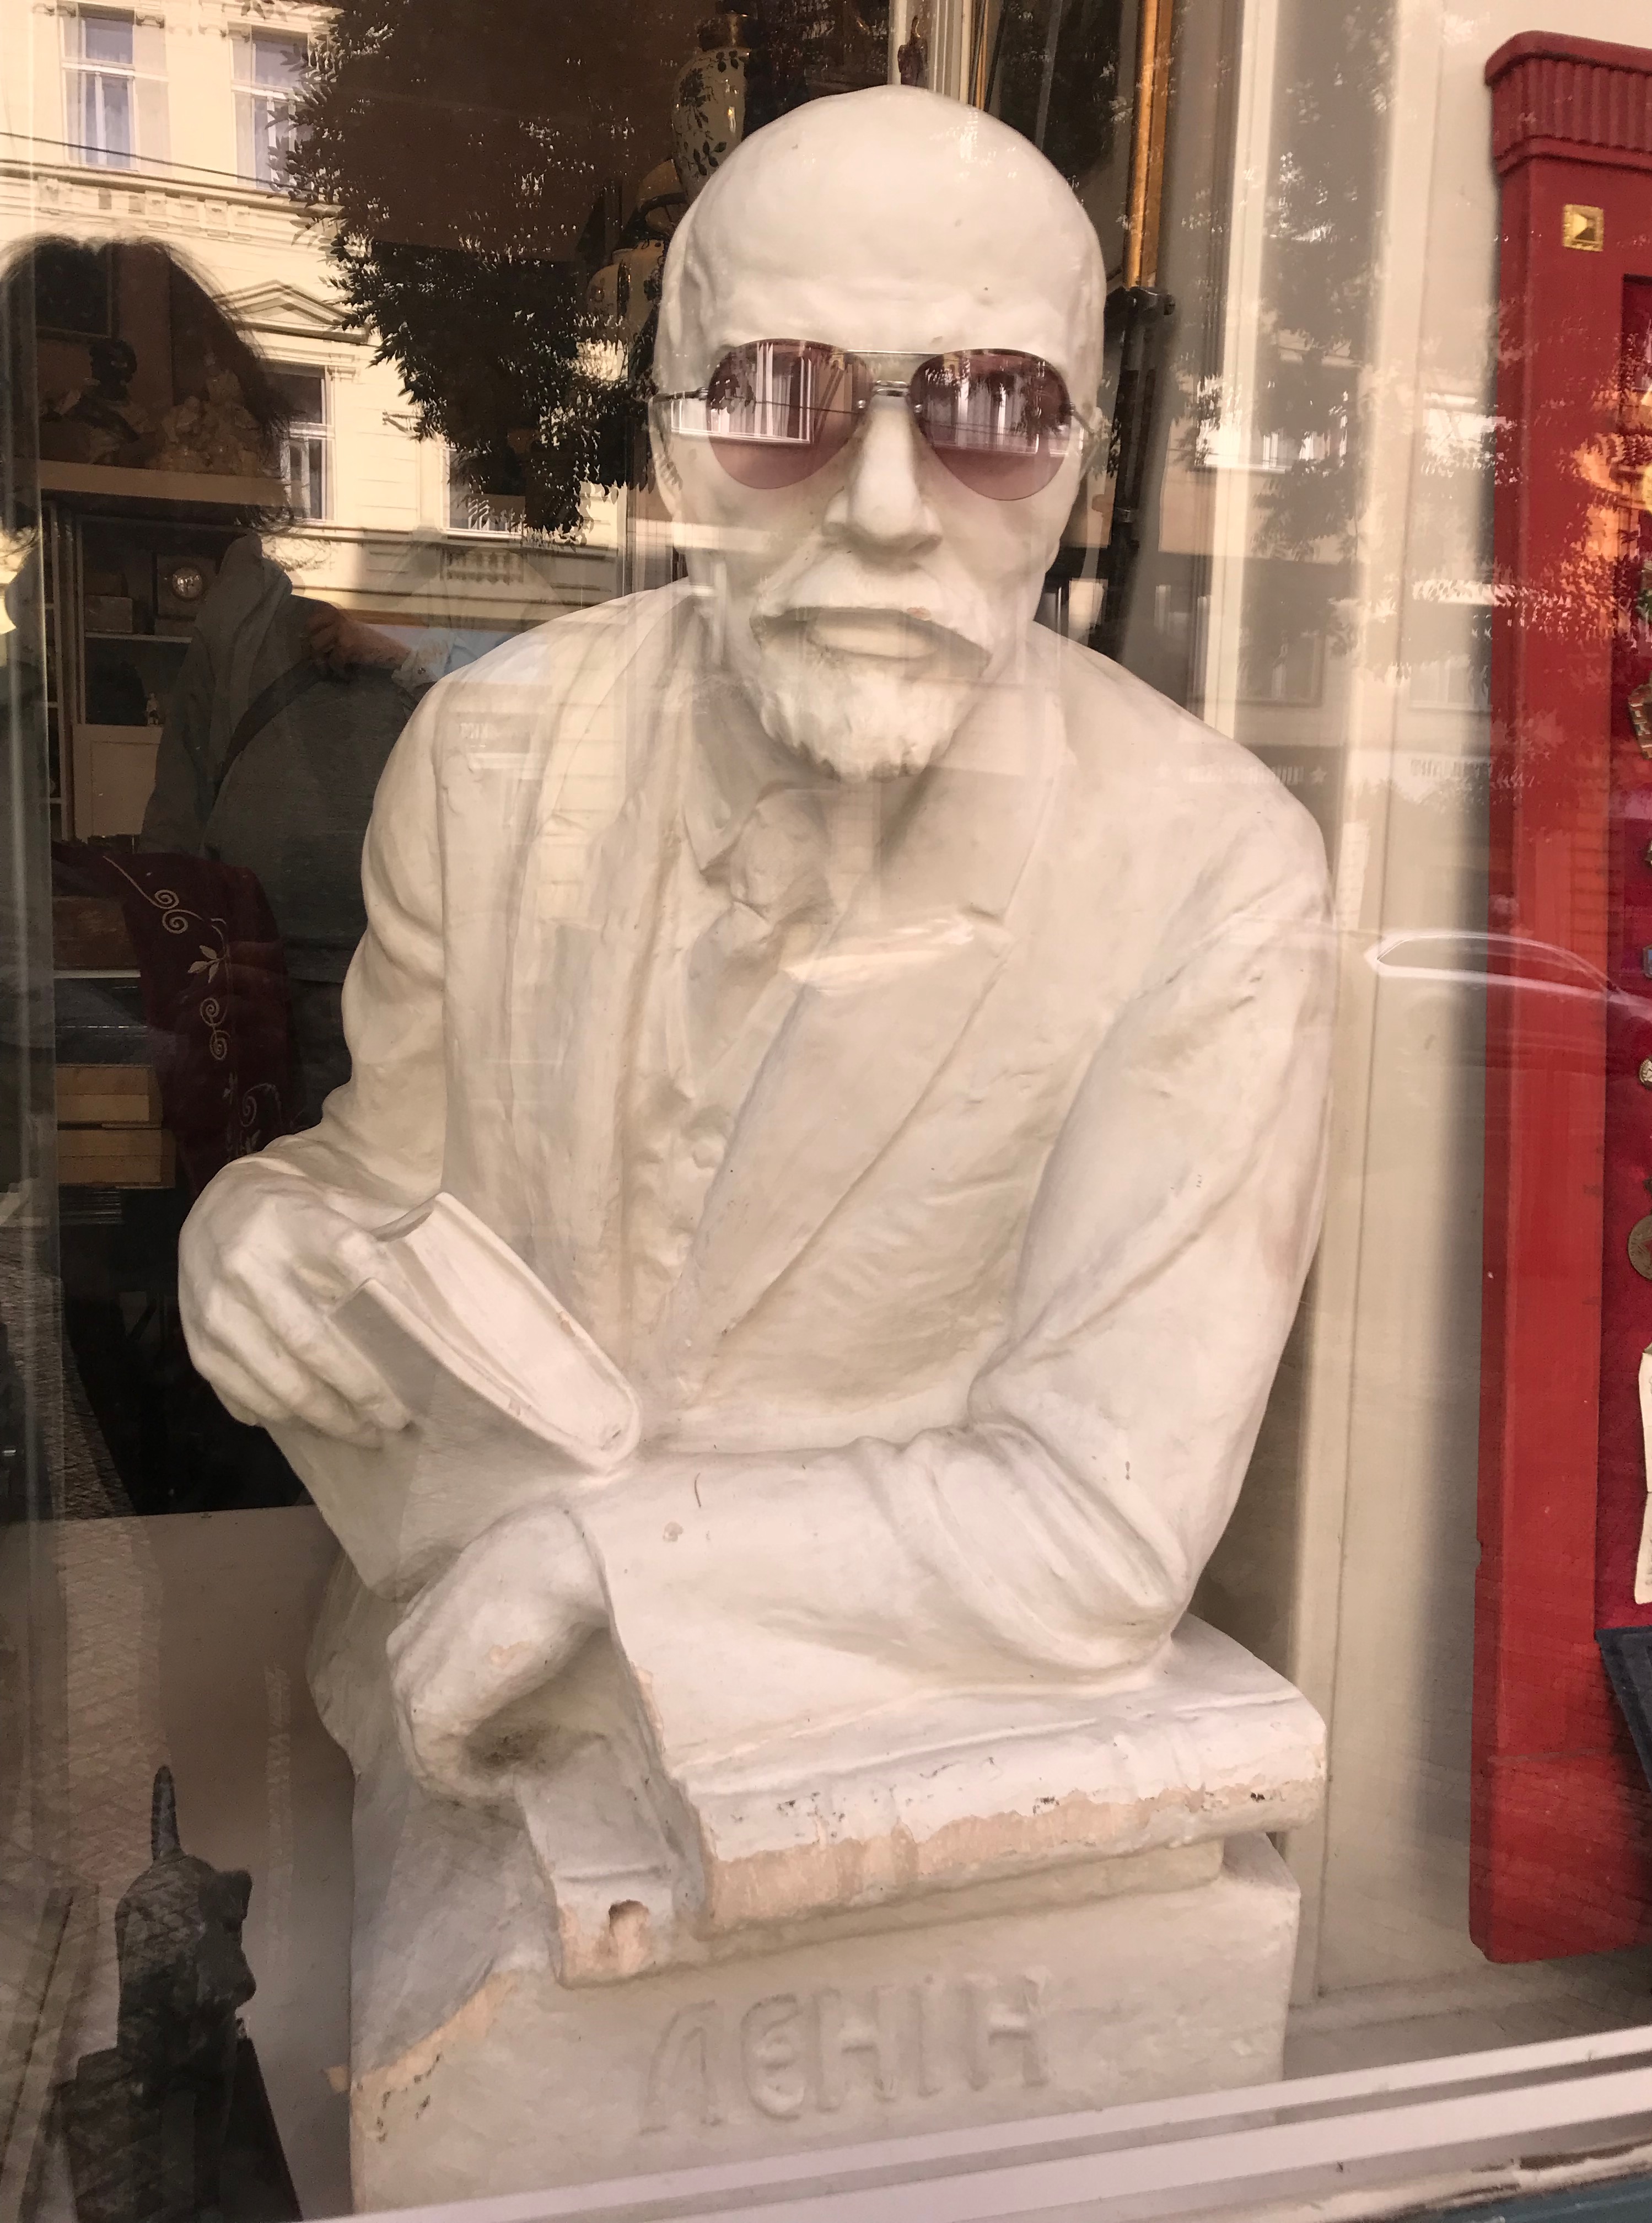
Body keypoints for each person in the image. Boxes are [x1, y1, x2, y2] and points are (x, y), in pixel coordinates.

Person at [177, 89, 1332, 1826]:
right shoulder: (493, 762)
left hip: (842, 1762)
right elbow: (391, 1190)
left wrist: (606, 1564)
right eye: (779, 397)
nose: (884, 506)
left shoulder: (1214, 871)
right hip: (449, 1715)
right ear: (666, 447)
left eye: (990, 409)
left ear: (1084, 464)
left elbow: (1103, 1521)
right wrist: (253, 1231)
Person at [142, 537, 437, 1121]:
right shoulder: (238, 612)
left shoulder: (433, 604)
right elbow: (186, 777)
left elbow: (502, 711)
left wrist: (405, 650)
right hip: (264, 956)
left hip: (392, 961)